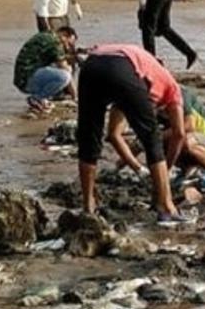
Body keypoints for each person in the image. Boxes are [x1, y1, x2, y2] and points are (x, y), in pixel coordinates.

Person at [76, 43, 191, 225]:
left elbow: (113, 133)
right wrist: (165, 172)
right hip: (121, 66)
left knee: (88, 136)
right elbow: (179, 134)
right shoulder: (172, 87)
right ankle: (166, 207)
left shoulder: (140, 78)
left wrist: (138, 167)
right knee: (152, 136)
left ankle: (88, 206)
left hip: (91, 65)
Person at [108, 85, 205, 194]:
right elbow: (141, 142)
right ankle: (186, 172)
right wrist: (117, 167)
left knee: (183, 139)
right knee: (159, 140)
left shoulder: (177, 92)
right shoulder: (150, 102)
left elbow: (188, 126)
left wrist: (158, 138)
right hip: (192, 143)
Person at [13, 27, 77, 113]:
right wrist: (75, 97)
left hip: (23, 78)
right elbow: (64, 67)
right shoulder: (55, 42)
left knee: (60, 69)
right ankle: (37, 98)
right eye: (69, 43)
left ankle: (41, 99)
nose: (67, 47)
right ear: (64, 35)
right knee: (65, 76)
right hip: (27, 79)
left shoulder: (47, 35)